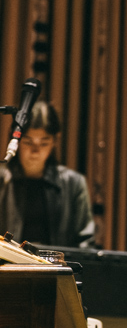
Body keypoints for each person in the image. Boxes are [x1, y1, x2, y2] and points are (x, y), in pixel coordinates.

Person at [0, 101, 95, 248]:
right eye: (28, 142)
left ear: (55, 141)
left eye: (44, 143)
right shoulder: (1, 179)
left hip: (57, 269)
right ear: (16, 139)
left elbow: (85, 242)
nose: (35, 151)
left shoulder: (74, 183)